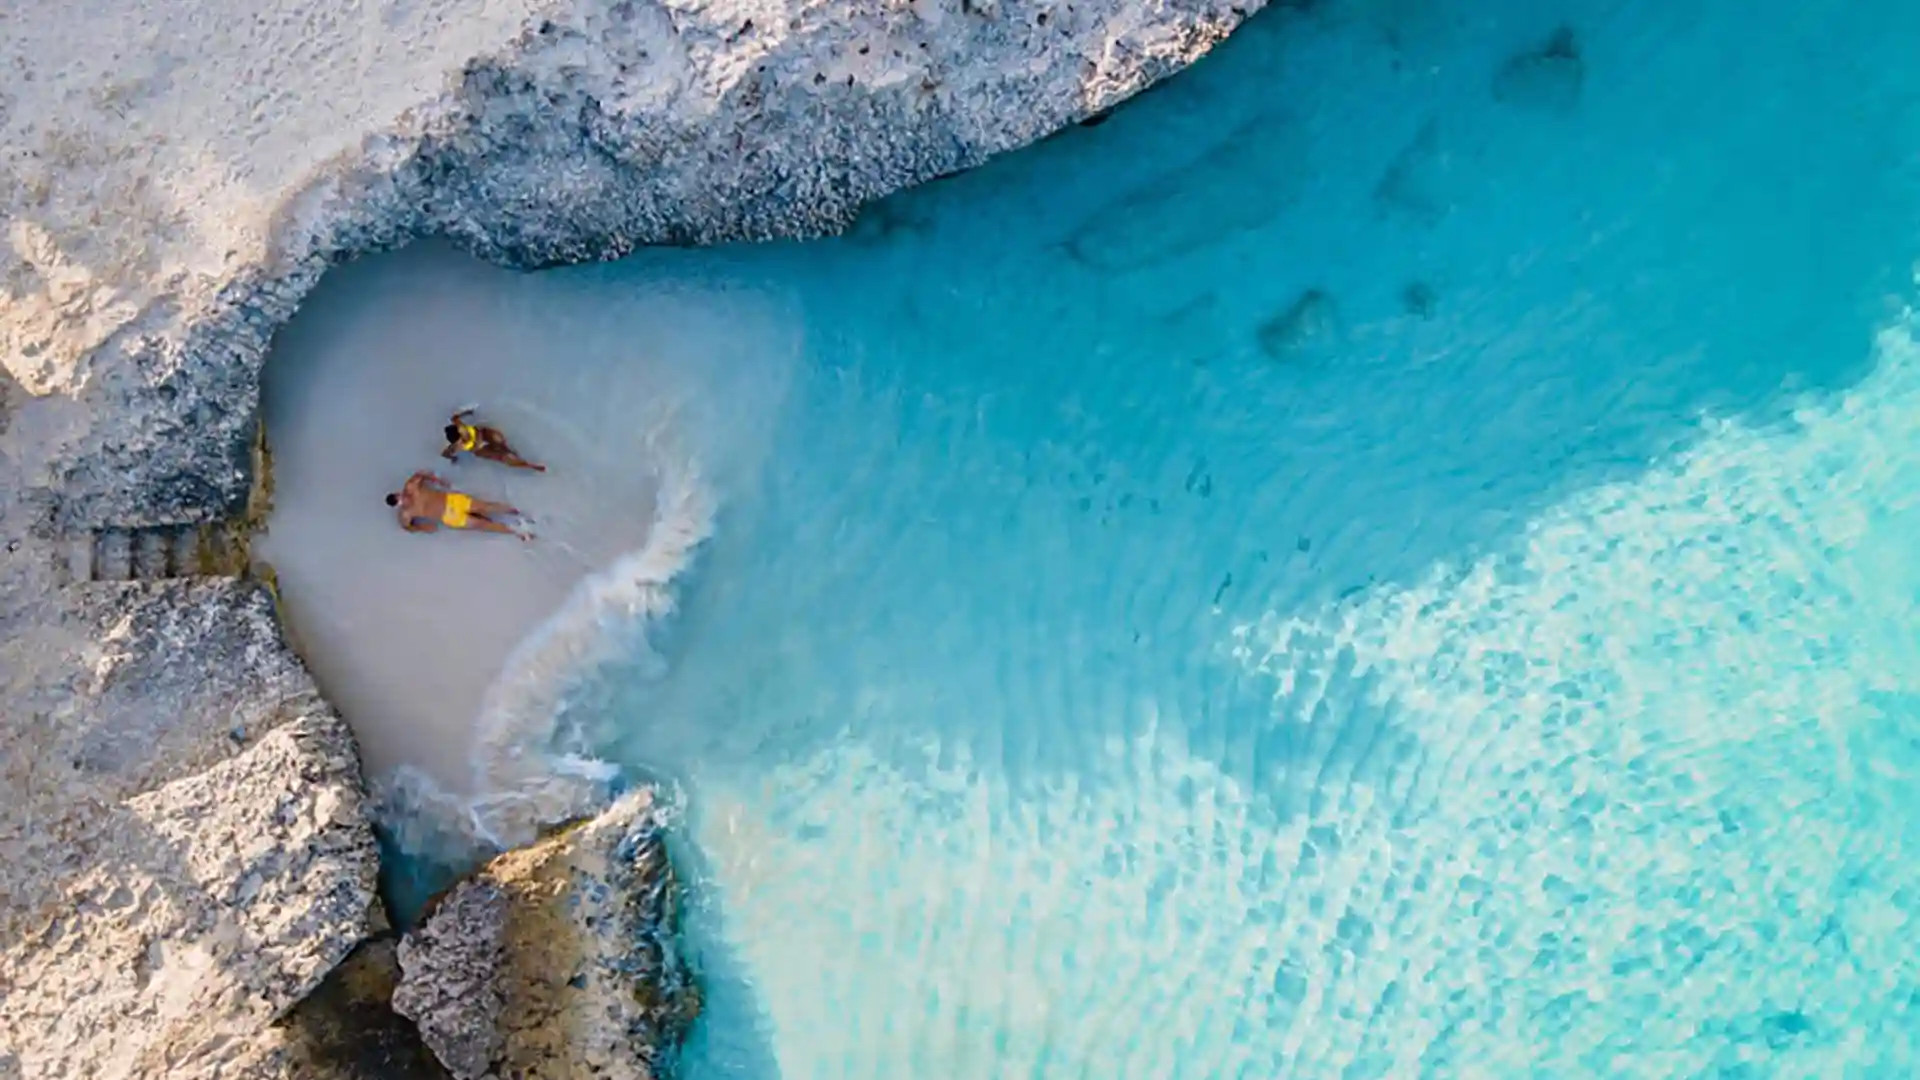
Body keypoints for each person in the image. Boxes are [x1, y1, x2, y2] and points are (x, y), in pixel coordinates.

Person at [385, 470, 532, 540]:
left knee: (486, 507)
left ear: (399, 493)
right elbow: (407, 527)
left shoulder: (411, 487)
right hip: (449, 517)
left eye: (400, 496)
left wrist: (437, 480)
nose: (404, 499)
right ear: (398, 505)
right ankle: (518, 532)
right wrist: (423, 528)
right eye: (400, 501)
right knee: (484, 524)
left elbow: (420, 474)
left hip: (452, 501)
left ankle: (518, 512)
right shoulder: (406, 514)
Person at [441, 406, 546, 472]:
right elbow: (445, 454)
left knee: (500, 442)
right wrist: (453, 458)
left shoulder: (460, 426)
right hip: (479, 449)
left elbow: (454, 418)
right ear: (456, 441)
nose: (464, 437)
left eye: (462, 434)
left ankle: (509, 450)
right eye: (462, 439)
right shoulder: (455, 447)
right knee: (502, 458)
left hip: (483, 434)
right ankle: (530, 466)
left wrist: (468, 411)